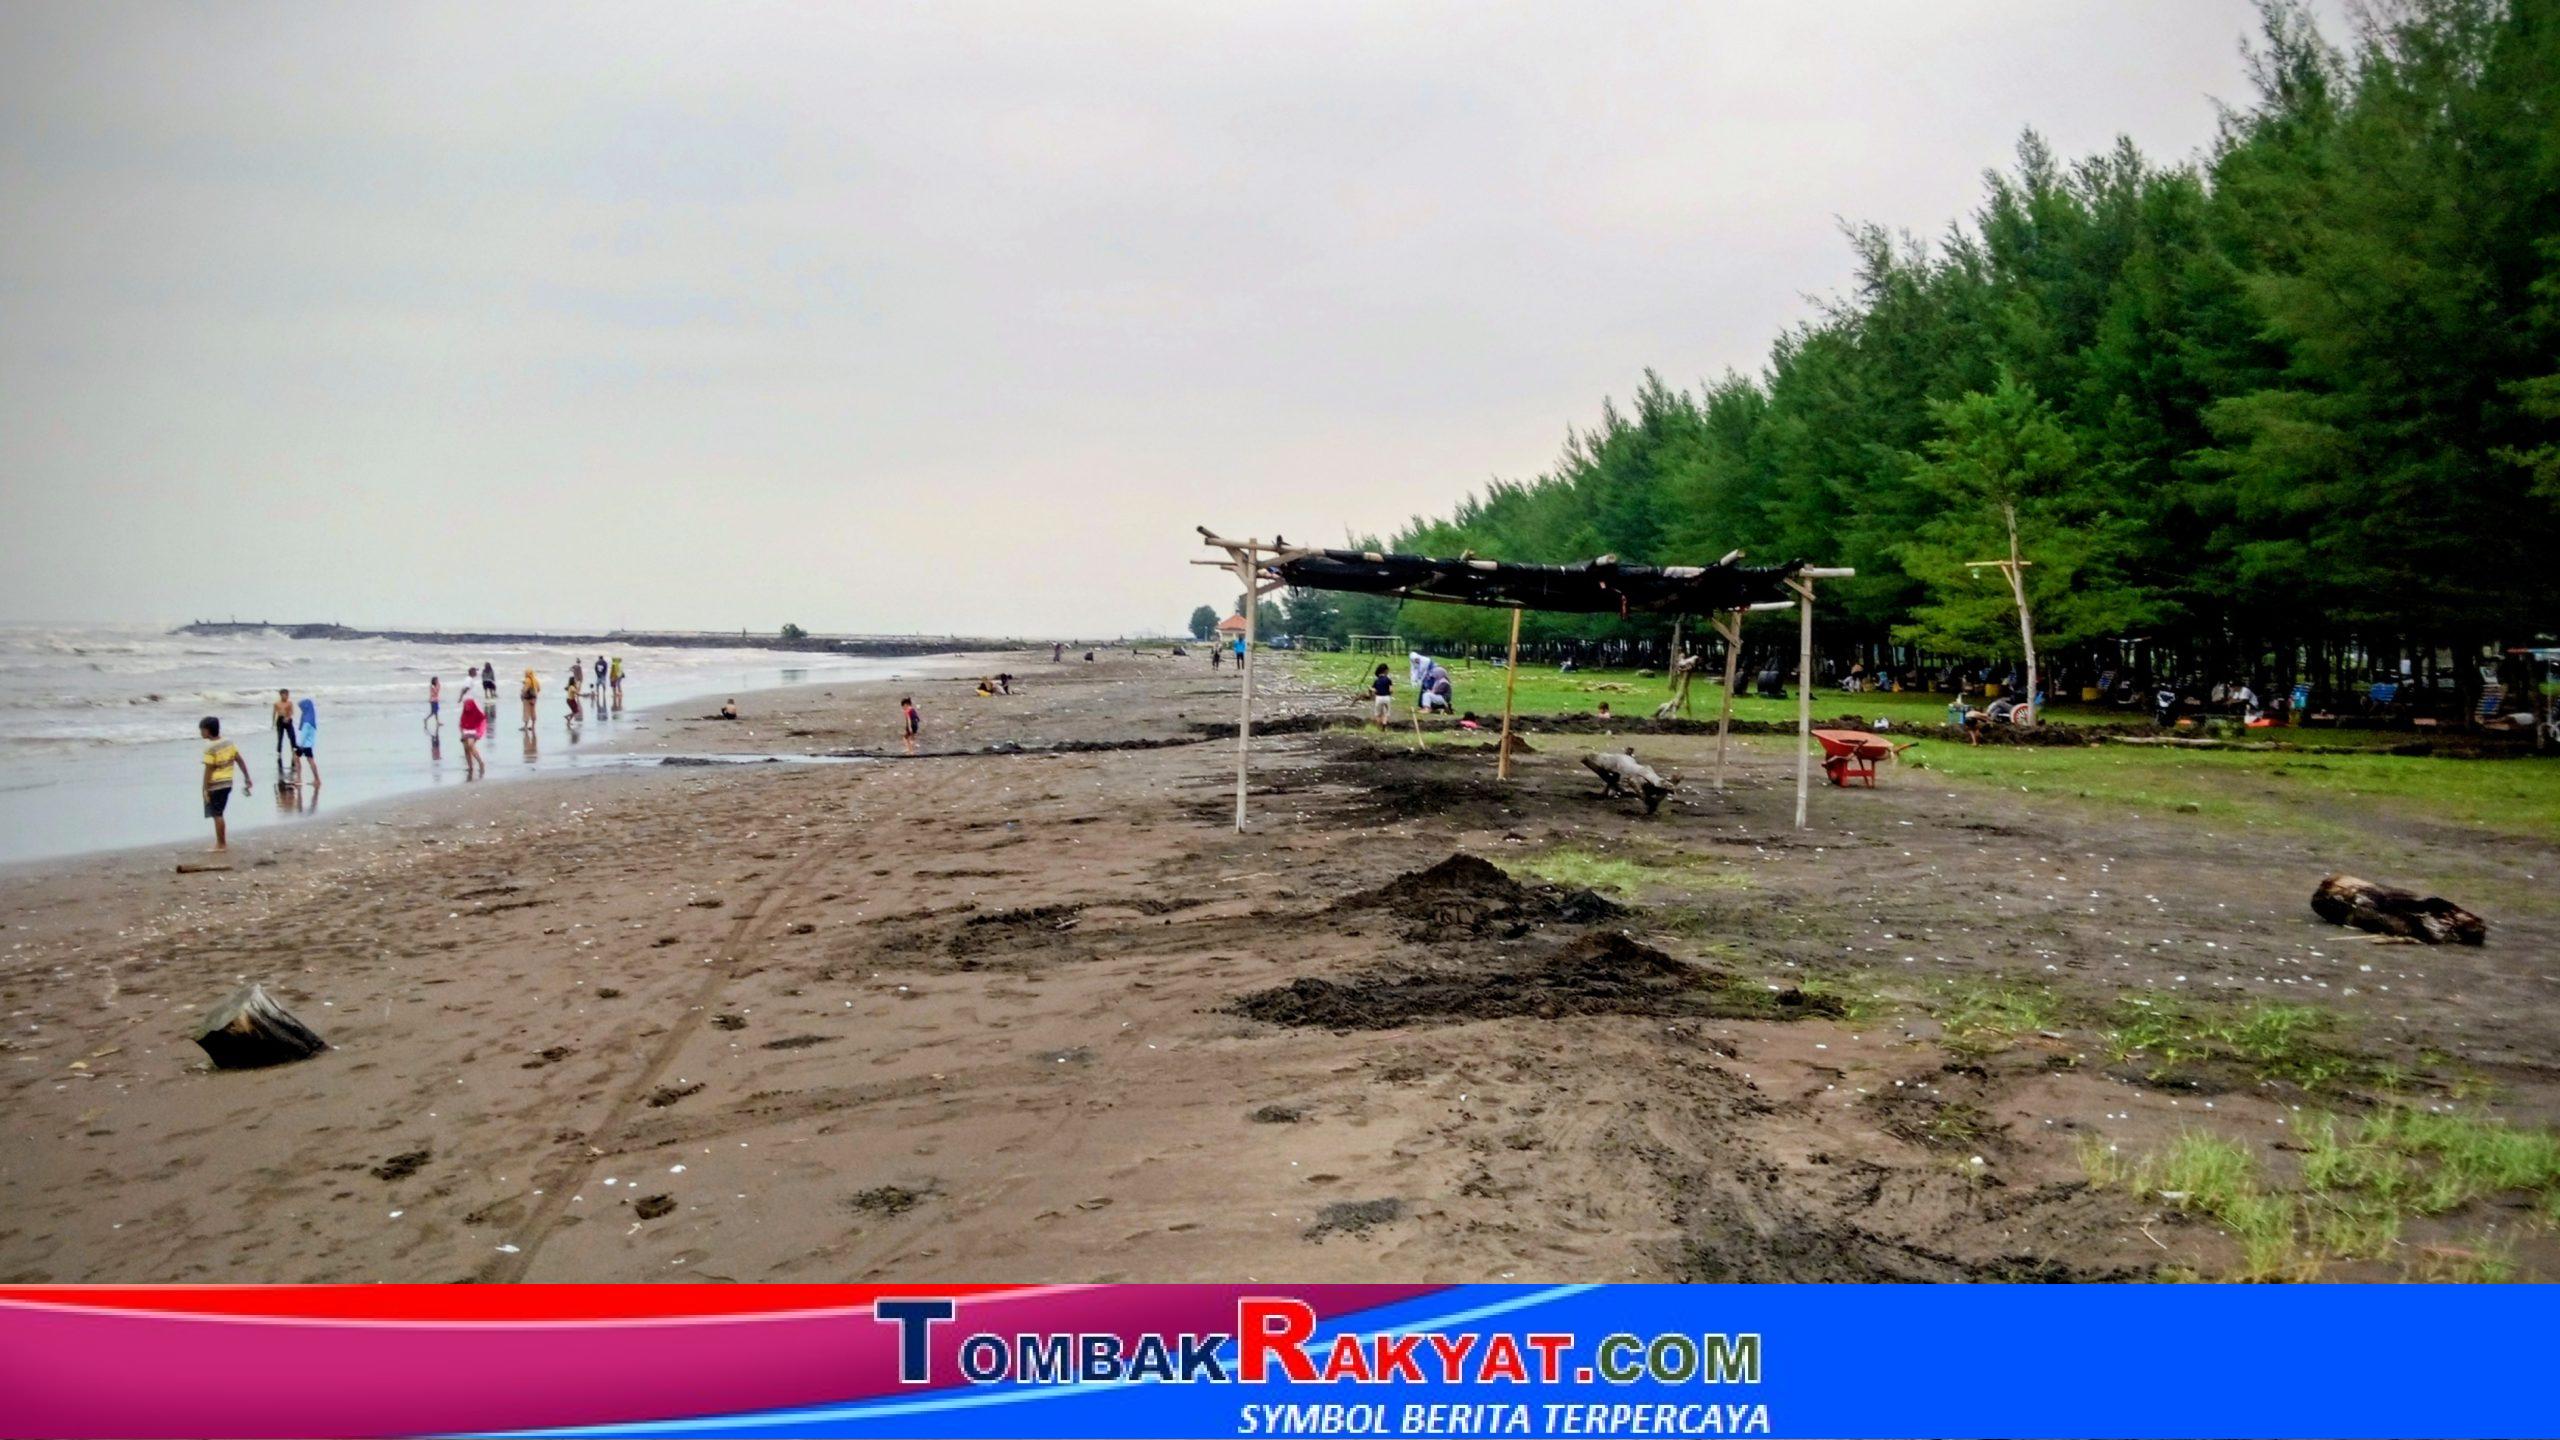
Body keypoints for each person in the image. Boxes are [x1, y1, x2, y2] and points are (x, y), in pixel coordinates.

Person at [200, 716, 251, 850]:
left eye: (202, 730)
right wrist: (247, 777)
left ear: (208, 731)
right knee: (219, 812)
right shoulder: (228, 742)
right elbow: (239, 760)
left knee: (217, 814)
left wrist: (205, 788)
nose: (201, 733)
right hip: (227, 783)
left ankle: (221, 844)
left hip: (215, 784)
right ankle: (221, 842)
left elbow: (209, 769)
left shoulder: (210, 747)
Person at [457, 689, 487, 779]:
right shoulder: (464, 712)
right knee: (466, 749)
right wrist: (462, 732)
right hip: (465, 729)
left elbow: (482, 718)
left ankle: (481, 762)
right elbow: (462, 721)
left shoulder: (475, 709)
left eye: (468, 704)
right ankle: (470, 767)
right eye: (465, 704)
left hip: (473, 730)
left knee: (470, 745)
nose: (467, 706)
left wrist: (479, 732)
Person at [292, 696, 320, 788]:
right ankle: (316, 779)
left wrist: (299, 745)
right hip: (309, 744)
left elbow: (304, 734)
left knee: (296, 758)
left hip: (303, 745)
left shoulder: (307, 722)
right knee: (310, 760)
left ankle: (299, 778)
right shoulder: (311, 719)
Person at [271, 688, 294, 763]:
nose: (287, 696)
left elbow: (291, 712)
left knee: (292, 736)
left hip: (288, 720)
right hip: (280, 720)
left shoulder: (289, 703)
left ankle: (293, 750)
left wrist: (288, 718)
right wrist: (273, 723)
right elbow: (274, 713)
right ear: (281, 695)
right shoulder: (277, 703)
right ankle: (279, 752)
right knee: (280, 737)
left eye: (287, 695)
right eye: (285, 695)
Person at [1369, 663, 1393, 727]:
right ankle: (1384, 725)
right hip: (1387, 697)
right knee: (1385, 713)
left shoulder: (1377, 680)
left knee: (1377, 714)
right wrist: (1389, 694)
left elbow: (1374, 690)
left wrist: (1370, 689)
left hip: (1379, 698)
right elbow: (1391, 690)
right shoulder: (1388, 680)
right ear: (1386, 671)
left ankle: (1379, 726)